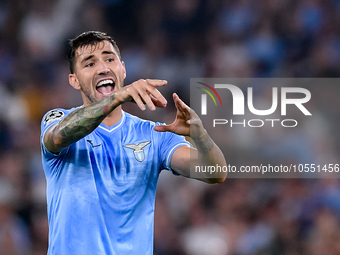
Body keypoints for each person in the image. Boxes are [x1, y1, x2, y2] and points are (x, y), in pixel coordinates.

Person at [40, 31, 227, 255]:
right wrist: (116, 98)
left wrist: (201, 136)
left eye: (109, 59)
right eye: (89, 63)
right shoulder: (58, 119)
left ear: (123, 69)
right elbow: (58, 137)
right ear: (74, 80)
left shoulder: (155, 134)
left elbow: (215, 173)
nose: (102, 68)